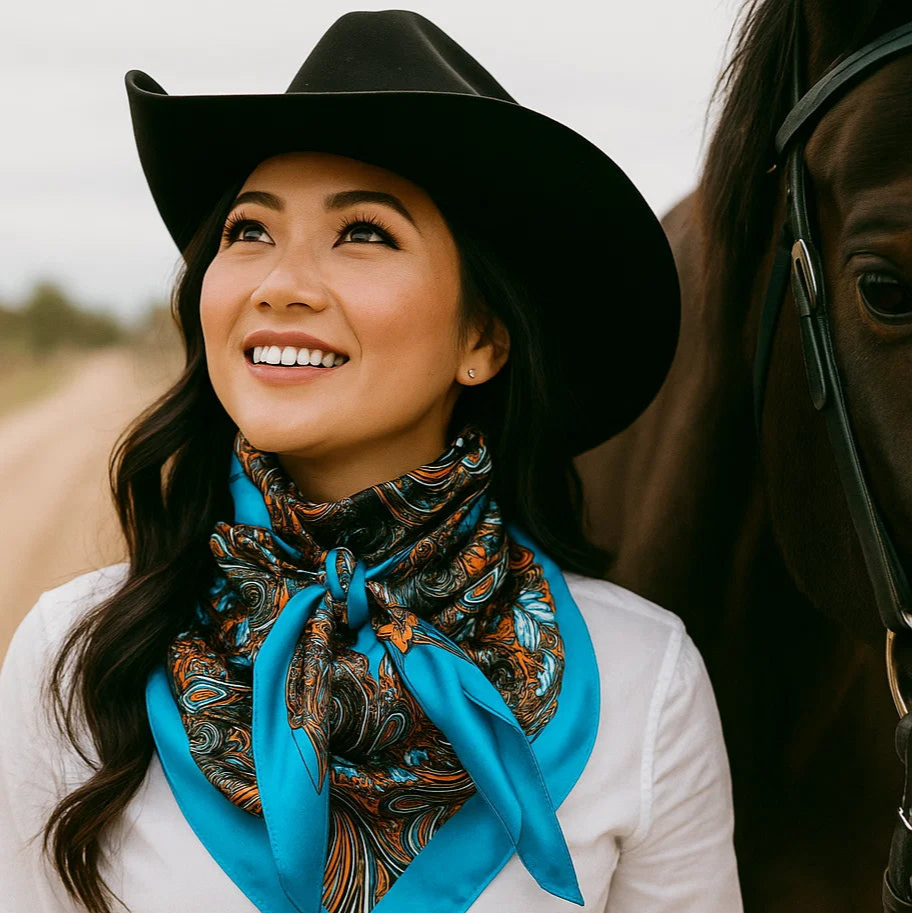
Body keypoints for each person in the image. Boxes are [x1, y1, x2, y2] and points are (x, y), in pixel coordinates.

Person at [0, 11, 741, 913]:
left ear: (482, 336)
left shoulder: (641, 678)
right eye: (247, 230)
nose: (279, 282)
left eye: (363, 233)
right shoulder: (74, 655)